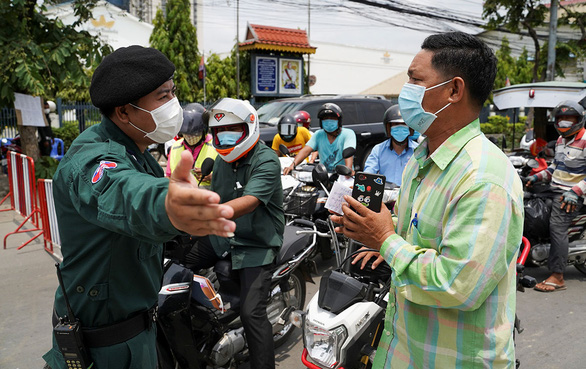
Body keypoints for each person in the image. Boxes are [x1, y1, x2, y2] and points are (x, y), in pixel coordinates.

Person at [331, 32, 523, 368]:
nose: (405, 90)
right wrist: (375, 236)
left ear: (453, 91)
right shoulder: (422, 160)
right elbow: (415, 238)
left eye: (415, 80)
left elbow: (457, 286)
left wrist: (386, 240)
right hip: (406, 350)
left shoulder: (484, 177)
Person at [43, 46, 236, 369]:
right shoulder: (92, 156)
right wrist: (165, 204)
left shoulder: (138, 151)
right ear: (123, 112)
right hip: (104, 347)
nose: (173, 104)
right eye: (162, 97)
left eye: (172, 93)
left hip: (139, 331)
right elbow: (121, 191)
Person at [185, 97, 284, 369]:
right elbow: (215, 197)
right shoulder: (219, 162)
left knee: (252, 313)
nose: (223, 137)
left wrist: (206, 214)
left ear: (249, 127)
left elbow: (250, 201)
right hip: (222, 237)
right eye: (217, 131)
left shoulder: (266, 159)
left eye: (231, 130)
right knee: (176, 267)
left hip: (256, 243)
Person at [526, 100, 586, 292]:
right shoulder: (561, 141)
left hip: (573, 194)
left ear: (578, 120)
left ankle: (558, 276)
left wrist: (576, 192)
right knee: (530, 208)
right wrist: (537, 177)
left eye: (568, 118)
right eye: (560, 118)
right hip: (555, 189)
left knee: (557, 225)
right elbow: (555, 167)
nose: (563, 122)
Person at [283, 103, 356, 175]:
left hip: (342, 175)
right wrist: (292, 165)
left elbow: (348, 154)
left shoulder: (348, 133)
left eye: (332, 118)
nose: (329, 121)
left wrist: (348, 170)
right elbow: (306, 151)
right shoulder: (318, 134)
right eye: (325, 119)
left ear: (339, 121)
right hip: (324, 175)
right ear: (321, 122)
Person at [363, 104, 418, 185]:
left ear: (410, 128)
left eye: (404, 124)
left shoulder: (418, 151)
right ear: (388, 128)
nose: (400, 128)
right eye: (395, 124)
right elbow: (369, 172)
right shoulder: (378, 150)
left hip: (409, 195)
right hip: (385, 194)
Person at [165, 102, 217, 186]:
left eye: (194, 134)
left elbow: (227, 176)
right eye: (187, 134)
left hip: (207, 196)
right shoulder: (175, 147)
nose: (190, 137)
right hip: (181, 196)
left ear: (204, 131)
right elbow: (168, 176)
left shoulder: (215, 146)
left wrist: (212, 177)